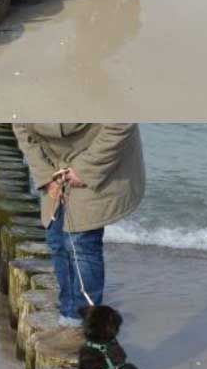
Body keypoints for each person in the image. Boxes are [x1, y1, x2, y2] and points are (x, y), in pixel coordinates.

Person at [13, 124, 144, 327]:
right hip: (54, 162)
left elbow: (122, 122)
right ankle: (68, 310)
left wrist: (85, 169)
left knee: (80, 242)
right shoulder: (23, 97)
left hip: (99, 159)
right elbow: (21, 128)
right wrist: (47, 177)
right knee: (56, 240)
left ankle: (81, 319)